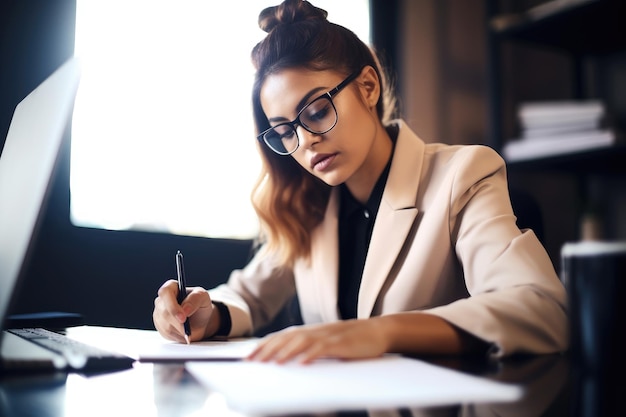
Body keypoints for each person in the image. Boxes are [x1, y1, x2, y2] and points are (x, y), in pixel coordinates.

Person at [152, 0, 568, 364]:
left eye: (315, 111)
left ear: (368, 87)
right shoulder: (308, 204)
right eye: (284, 131)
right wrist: (207, 313)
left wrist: (378, 334)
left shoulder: (463, 174)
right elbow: (248, 297)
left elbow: (540, 308)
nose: (306, 141)